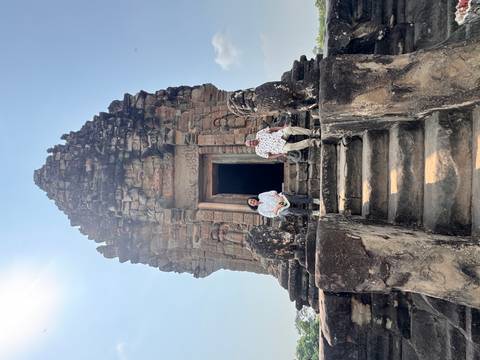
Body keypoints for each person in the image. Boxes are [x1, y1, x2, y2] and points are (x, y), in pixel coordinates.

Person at [245, 125, 320, 159]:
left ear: (251, 139)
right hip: (279, 147)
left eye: (251, 141)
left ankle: (312, 133)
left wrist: (282, 128)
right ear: (252, 146)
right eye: (251, 144)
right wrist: (281, 154)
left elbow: (271, 129)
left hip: (279, 135)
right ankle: (312, 142)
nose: (252, 143)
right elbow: (270, 156)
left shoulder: (259, 134)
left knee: (288, 129)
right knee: (289, 147)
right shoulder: (258, 151)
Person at [247, 190, 320, 218]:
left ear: (254, 198)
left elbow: (272, 192)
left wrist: (278, 197)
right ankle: (313, 212)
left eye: (252, 200)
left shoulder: (261, 195)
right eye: (251, 203)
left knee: (292, 199)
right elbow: (272, 215)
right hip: (280, 209)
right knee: (290, 210)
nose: (253, 201)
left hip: (280, 199)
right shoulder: (260, 210)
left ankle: (314, 201)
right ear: (252, 206)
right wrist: (277, 207)